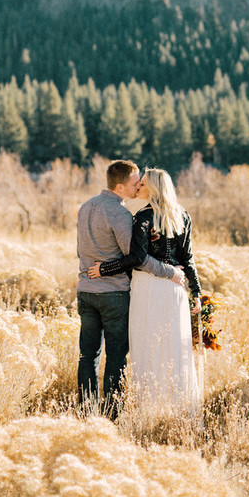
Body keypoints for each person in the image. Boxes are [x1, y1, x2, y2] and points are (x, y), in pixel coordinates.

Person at [88, 167, 201, 411]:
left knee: (148, 349)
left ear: (152, 189)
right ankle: (178, 409)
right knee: (174, 350)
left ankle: (150, 409)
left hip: (148, 288)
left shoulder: (143, 217)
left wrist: (104, 269)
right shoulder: (183, 215)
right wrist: (197, 293)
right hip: (175, 290)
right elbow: (188, 258)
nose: (137, 187)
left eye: (142, 184)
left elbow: (138, 258)